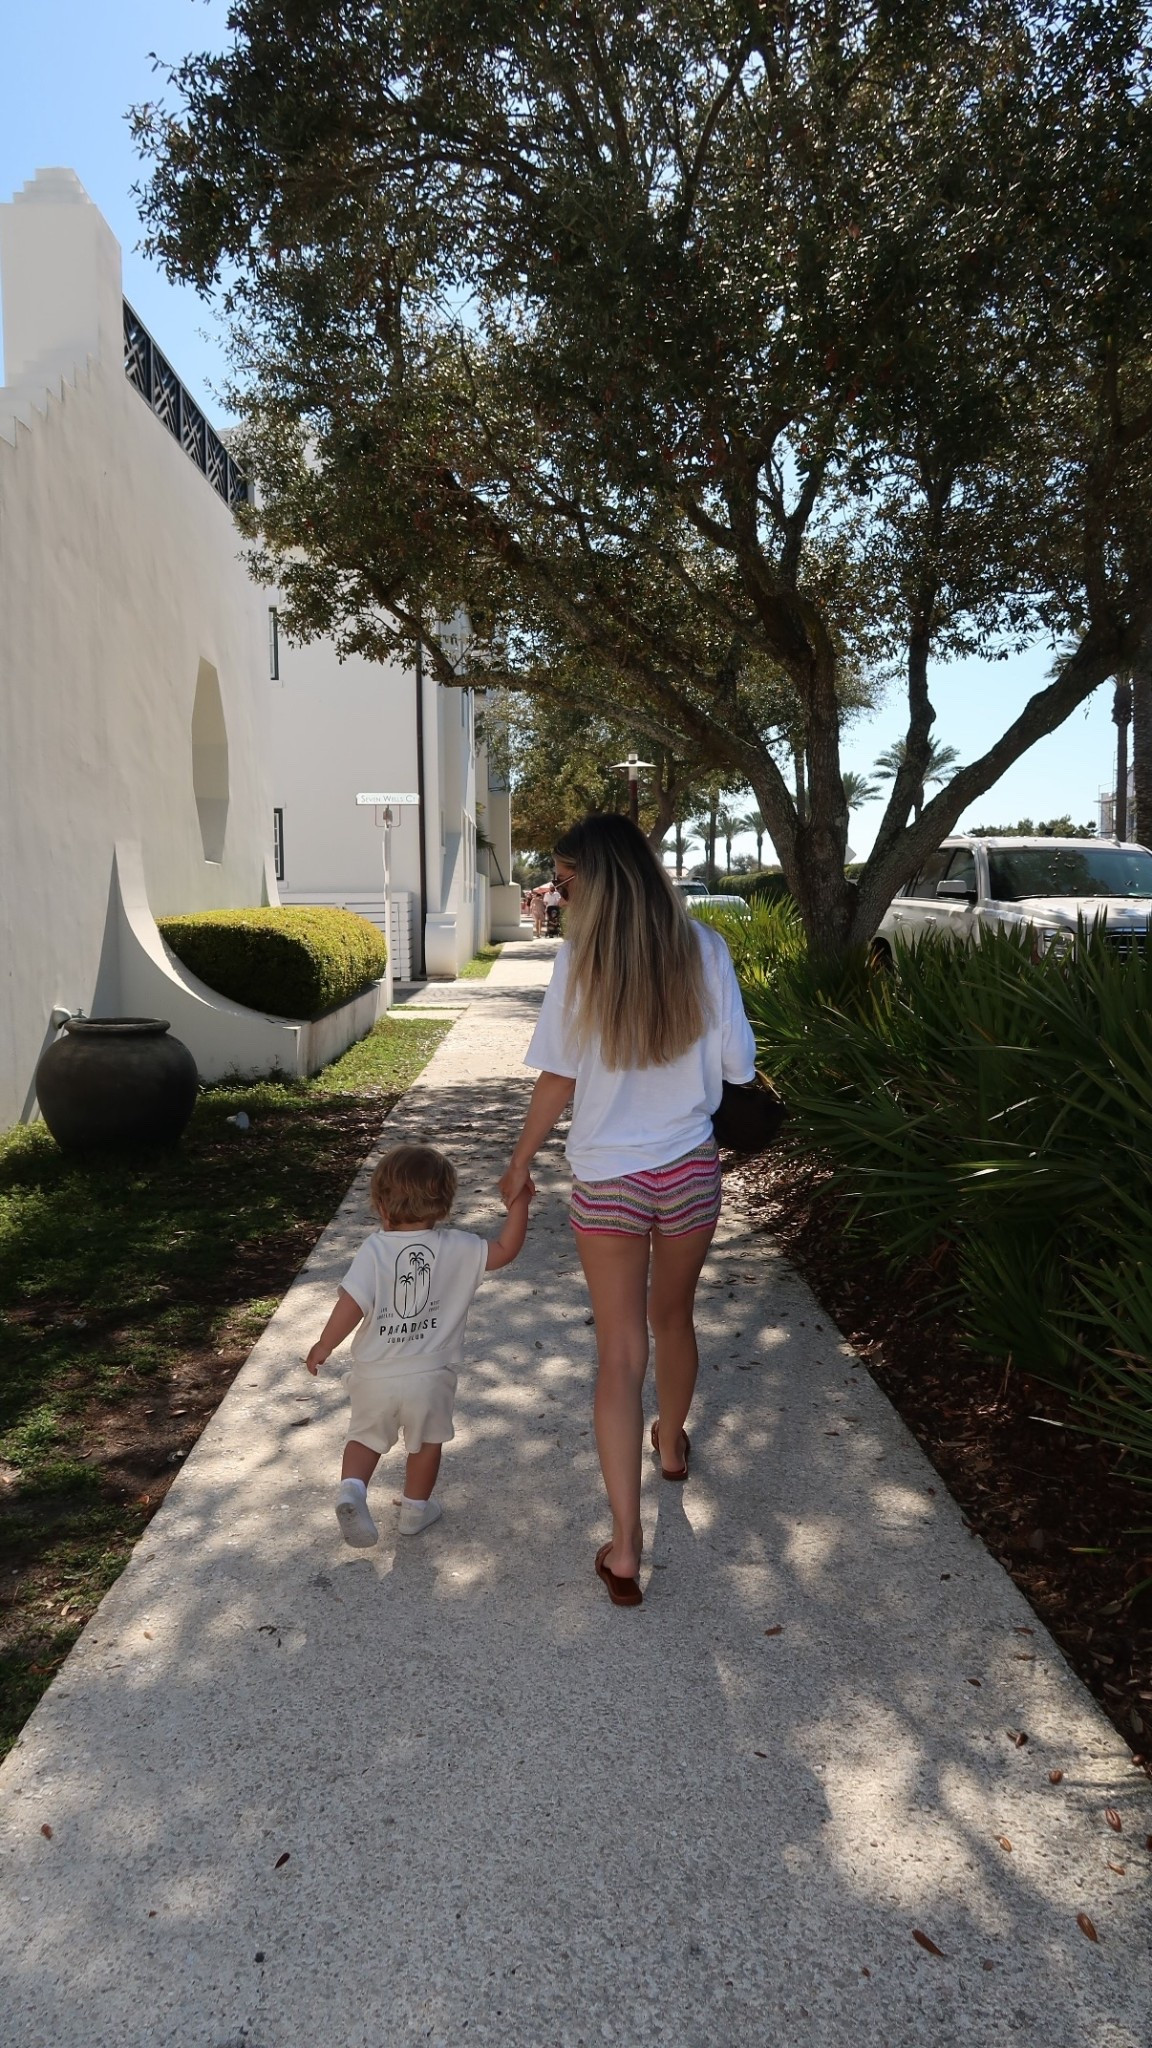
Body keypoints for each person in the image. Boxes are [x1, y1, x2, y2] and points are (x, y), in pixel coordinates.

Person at [498, 814, 756, 1607]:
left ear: (594, 881)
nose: (560, 897)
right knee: (672, 1319)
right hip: (687, 1172)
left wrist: (520, 1161)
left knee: (618, 1355)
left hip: (608, 1178)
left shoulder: (579, 963)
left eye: (565, 882)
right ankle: (672, 1446)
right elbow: (738, 1064)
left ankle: (625, 1544)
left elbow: (557, 1079)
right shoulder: (706, 947)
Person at [307, 1143, 532, 1546]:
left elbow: (351, 1304)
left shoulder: (375, 1250)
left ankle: (352, 1489)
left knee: (364, 1437)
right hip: (431, 1376)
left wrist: (325, 1344)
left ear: (380, 1204)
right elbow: (506, 1250)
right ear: (444, 1203)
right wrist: (520, 1203)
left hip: (375, 1374)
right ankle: (414, 1510)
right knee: (426, 1445)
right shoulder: (459, 1246)